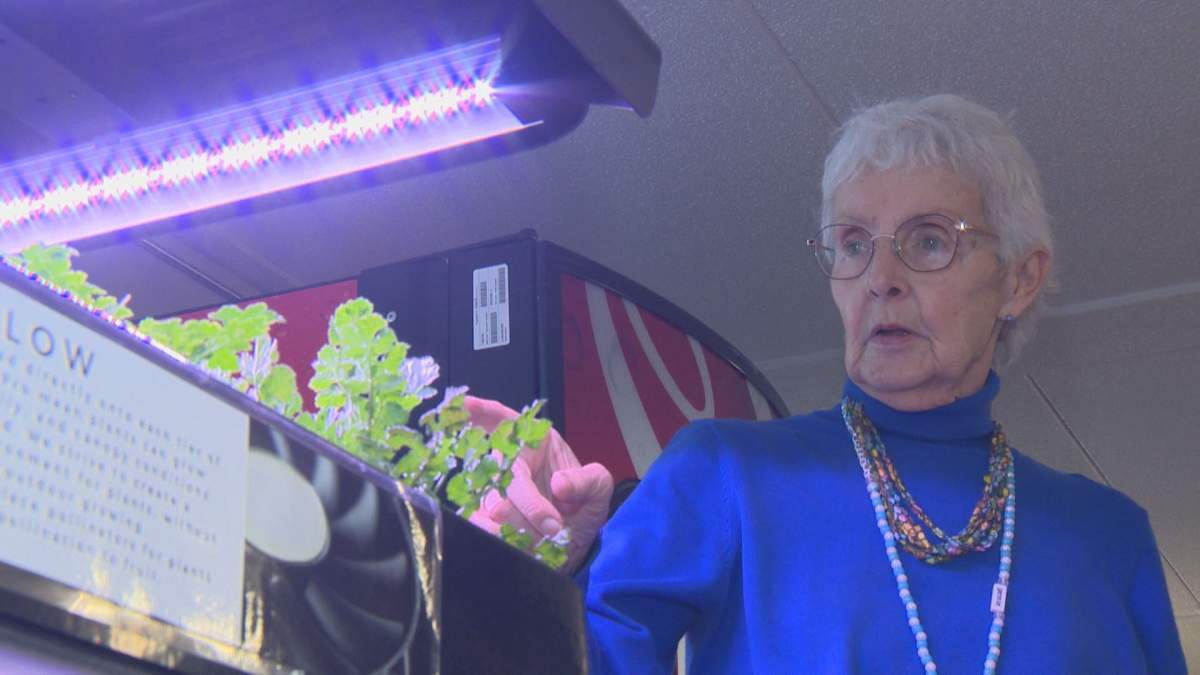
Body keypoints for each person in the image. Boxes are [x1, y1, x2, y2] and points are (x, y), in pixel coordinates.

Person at [465, 94, 1188, 674]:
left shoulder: (1106, 536)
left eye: (929, 240)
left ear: (1019, 278)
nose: (881, 280)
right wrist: (543, 568)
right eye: (852, 244)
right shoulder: (728, 475)